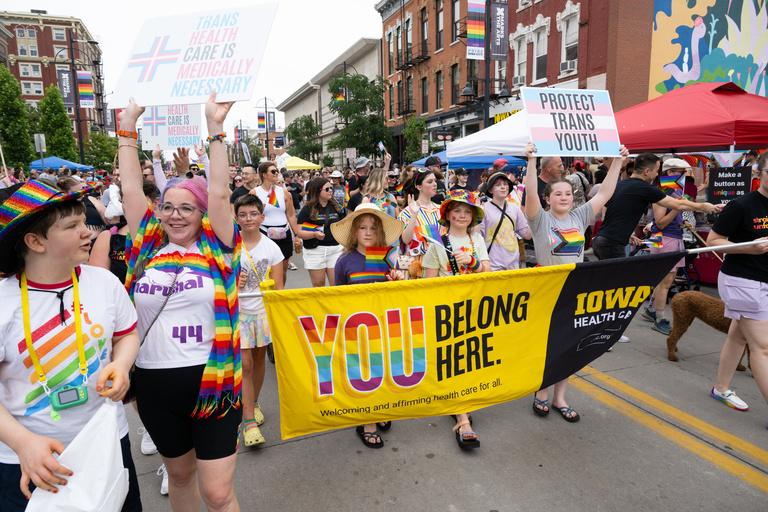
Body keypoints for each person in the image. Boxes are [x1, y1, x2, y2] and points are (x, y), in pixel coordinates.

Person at [120, 94, 243, 512]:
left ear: (202, 212)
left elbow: (223, 192)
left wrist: (215, 129)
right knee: (180, 477)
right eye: (168, 206)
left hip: (213, 384)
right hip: (155, 385)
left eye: (187, 207)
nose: (175, 215)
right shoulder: (147, 247)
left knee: (219, 493)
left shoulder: (220, 246)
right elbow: (131, 188)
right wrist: (126, 130)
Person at [0, 181, 141, 510]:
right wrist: (23, 444)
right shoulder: (3, 301)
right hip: (31, 462)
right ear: (35, 241)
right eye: (72, 226)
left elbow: (126, 335)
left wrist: (121, 365)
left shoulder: (104, 283)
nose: (88, 232)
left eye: (84, 222)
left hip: (106, 443)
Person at [524, 141, 629, 423]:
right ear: (548, 198)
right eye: (557, 193)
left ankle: (560, 397)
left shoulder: (580, 215)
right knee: (549, 345)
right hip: (547, 292)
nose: (564, 197)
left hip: (575, 291)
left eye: (568, 193)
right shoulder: (540, 221)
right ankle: (541, 392)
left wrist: (617, 161)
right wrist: (531, 161)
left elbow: (606, 191)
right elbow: (530, 192)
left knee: (570, 346)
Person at [331, 203, 404, 448]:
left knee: (384, 368)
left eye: (373, 228)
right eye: (362, 227)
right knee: (363, 373)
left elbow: (401, 294)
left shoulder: (388, 258)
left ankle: (380, 408)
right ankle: (367, 422)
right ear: (354, 232)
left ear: (380, 232)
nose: (368, 232)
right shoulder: (344, 262)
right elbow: (337, 297)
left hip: (383, 324)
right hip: (357, 328)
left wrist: (398, 280)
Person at [422, 190, 490, 449]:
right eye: (457, 211)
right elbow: (428, 283)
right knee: (453, 359)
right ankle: (463, 420)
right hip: (446, 311)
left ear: (472, 217)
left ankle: (459, 401)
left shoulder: (477, 239)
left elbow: (488, 269)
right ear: (448, 215)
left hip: (474, 308)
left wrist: (472, 262)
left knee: (469, 357)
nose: (462, 215)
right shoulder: (437, 243)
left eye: (467, 211)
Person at [705, 152, 768, 417]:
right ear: (759, 173)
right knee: (763, 347)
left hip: (763, 280)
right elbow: (713, 240)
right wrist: (750, 249)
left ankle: (721, 388)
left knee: (738, 336)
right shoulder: (742, 205)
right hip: (742, 280)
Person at [592, 153, 721, 261]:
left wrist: (626, 236)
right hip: (611, 244)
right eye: (656, 171)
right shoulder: (645, 188)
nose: (657, 175)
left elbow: (607, 216)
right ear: (647, 171)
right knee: (619, 285)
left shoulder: (620, 185)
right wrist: (703, 206)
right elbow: (678, 204)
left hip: (601, 240)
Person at [234, 194, 283, 447]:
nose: (248, 218)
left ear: (262, 217)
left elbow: (280, 288)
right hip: (238, 314)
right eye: (243, 214)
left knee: (258, 360)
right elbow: (218, 281)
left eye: (253, 214)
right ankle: (248, 422)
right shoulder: (229, 247)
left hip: (263, 313)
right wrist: (233, 282)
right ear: (236, 218)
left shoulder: (272, 248)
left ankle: (252, 401)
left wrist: (271, 288)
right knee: (245, 364)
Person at [640, 158, 691, 335]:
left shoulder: (673, 191)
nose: (685, 176)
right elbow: (660, 223)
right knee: (665, 282)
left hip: (670, 237)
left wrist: (683, 220)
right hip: (664, 238)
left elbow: (665, 220)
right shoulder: (663, 192)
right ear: (670, 173)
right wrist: (678, 209)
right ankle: (659, 319)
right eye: (682, 172)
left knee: (663, 280)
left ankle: (652, 310)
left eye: (686, 172)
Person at [249, 161, 300, 287]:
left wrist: (297, 234)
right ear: (264, 175)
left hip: (283, 233)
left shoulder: (284, 192)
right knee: (266, 269)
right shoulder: (254, 193)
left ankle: (279, 294)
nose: (277, 173)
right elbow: (248, 215)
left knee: (282, 271)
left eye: (277, 171)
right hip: (264, 234)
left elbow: (291, 215)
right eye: (273, 171)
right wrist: (258, 210)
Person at [296, 178, 345, 287]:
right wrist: (314, 234)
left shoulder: (336, 207)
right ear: (317, 191)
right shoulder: (307, 209)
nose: (330, 191)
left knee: (336, 285)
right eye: (327, 189)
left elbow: (342, 227)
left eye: (331, 188)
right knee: (319, 286)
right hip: (315, 251)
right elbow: (299, 231)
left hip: (335, 250)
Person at [479, 171, 530, 271]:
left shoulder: (514, 208)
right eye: (498, 185)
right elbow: (478, 237)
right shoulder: (484, 209)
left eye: (505, 184)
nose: (503, 187)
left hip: (513, 265)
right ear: (490, 190)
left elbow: (527, 234)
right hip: (492, 265)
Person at [399, 168, 443, 272]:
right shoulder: (407, 212)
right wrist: (414, 215)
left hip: (440, 265)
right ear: (419, 187)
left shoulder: (441, 210)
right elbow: (405, 240)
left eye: (435, 181)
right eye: (429, 182)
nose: (435, 184)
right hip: (418, 267)